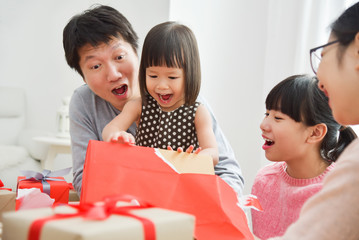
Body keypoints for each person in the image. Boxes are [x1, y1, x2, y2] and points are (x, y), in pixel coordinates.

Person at [62, 5, 243, 196]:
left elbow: (229, 172)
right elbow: (85, 179)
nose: (113, 74)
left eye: (119, 56)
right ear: (82, 76)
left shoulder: (186, 100)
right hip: (130, 211)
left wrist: (197, 168)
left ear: (136, 52)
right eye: (96, 66)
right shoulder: (85, 102)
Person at [255, 2, 359, 239]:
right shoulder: (265, 179)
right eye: (267, 113)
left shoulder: (349, 170)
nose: (320, 80)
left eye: (323, 56)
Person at [251, 75, 356, 240]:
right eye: (267, 114)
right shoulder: (264, 180)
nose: (263, 125)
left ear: (315, 133)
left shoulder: (337, 190)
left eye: (278, 118)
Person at [102, 21, 218, 166]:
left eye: (172, 77)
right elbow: (110, 129)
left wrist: (196, 158)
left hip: (179, 181)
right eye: (153, 76)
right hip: (145, 177)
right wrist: (117, 135)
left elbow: (213, 152)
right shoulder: (139, 105)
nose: (161, 86)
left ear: (190, 75)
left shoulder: (198, 112)